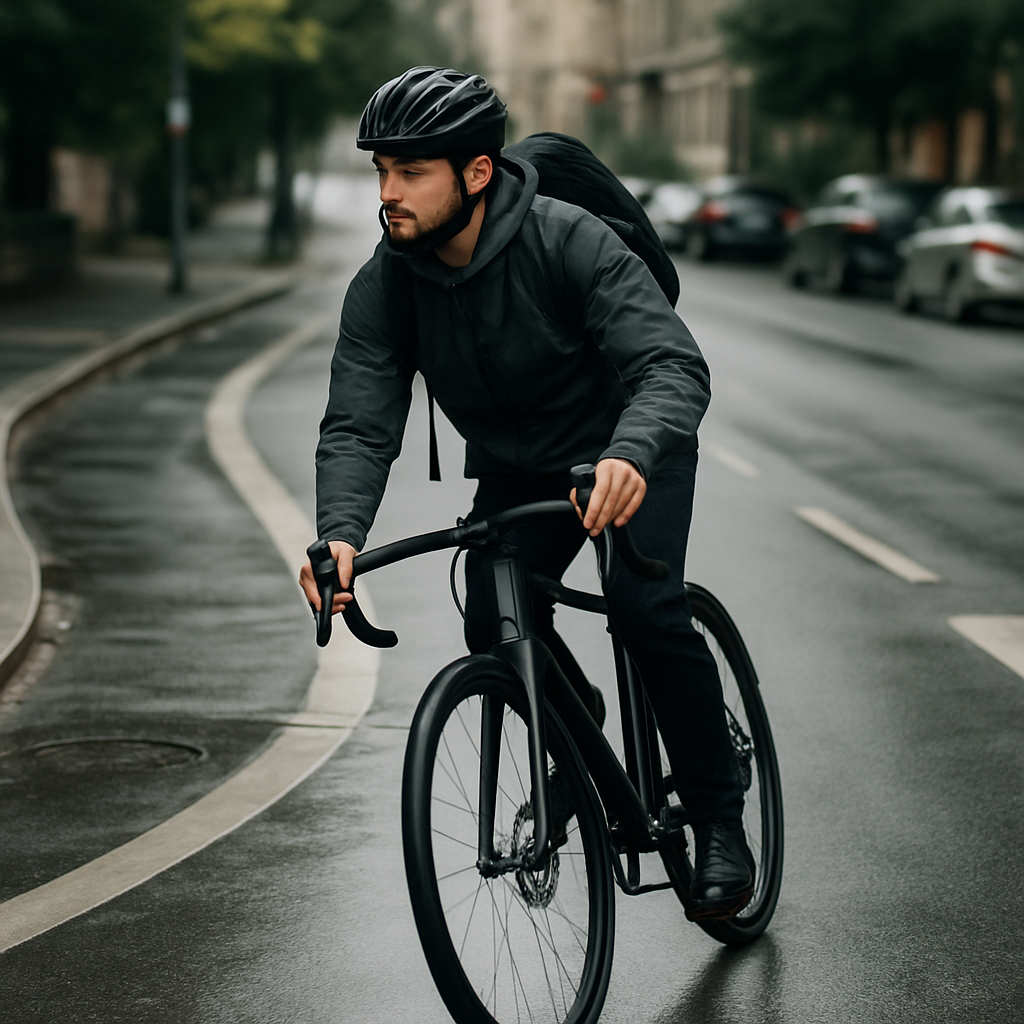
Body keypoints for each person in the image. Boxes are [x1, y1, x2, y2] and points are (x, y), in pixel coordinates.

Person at [298, 66, 754, 919]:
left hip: (628, 442)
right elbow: (360, 422)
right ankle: (570, 709)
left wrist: (630, 455)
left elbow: (671, 364)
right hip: (519, 464)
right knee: (492, 621)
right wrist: (340, 535)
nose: (388, 194)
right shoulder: (389, 282)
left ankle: (720, 816)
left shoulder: (567, 240)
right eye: (381, 173)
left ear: (476, 173)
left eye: (411, 173)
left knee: (643, 605)